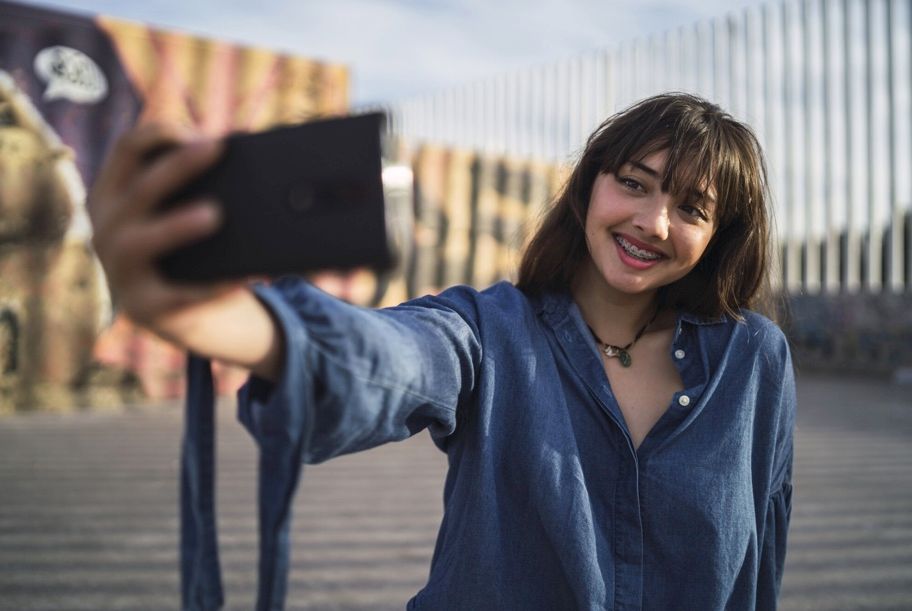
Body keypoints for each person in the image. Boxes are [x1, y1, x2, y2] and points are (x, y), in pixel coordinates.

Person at [89, 93, 795, 610]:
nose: (652, 221)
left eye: (692, 208)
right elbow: (391, 358)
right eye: (633, 183)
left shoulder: (755, 361)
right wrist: (230, 320)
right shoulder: (489, 329)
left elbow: (758, 562)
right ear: (589, 188)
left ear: (720, 234)